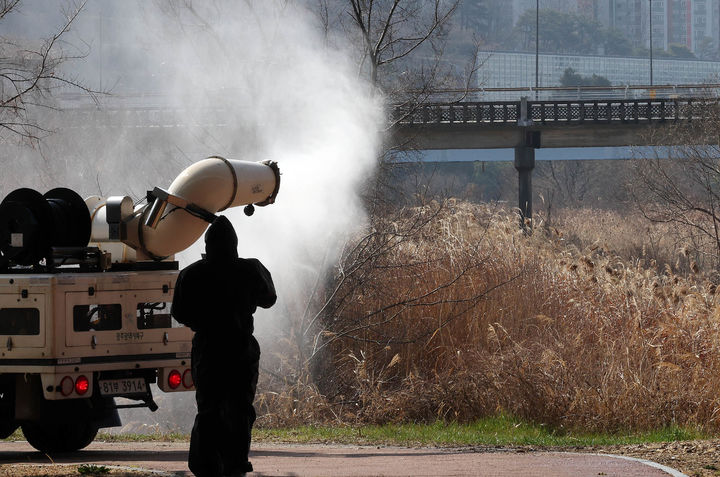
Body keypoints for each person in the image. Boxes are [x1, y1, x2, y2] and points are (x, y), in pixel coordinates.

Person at [171, 215, 276, 477]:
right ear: (234, 244)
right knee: (240, 409)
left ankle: (205, 466)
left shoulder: (192, 274)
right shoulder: (250, 270)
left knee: (209, 408)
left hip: (208, 350)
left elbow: (180, 313)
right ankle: (235, 463)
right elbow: (269, 298)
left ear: (207, 245)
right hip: (241, 349)